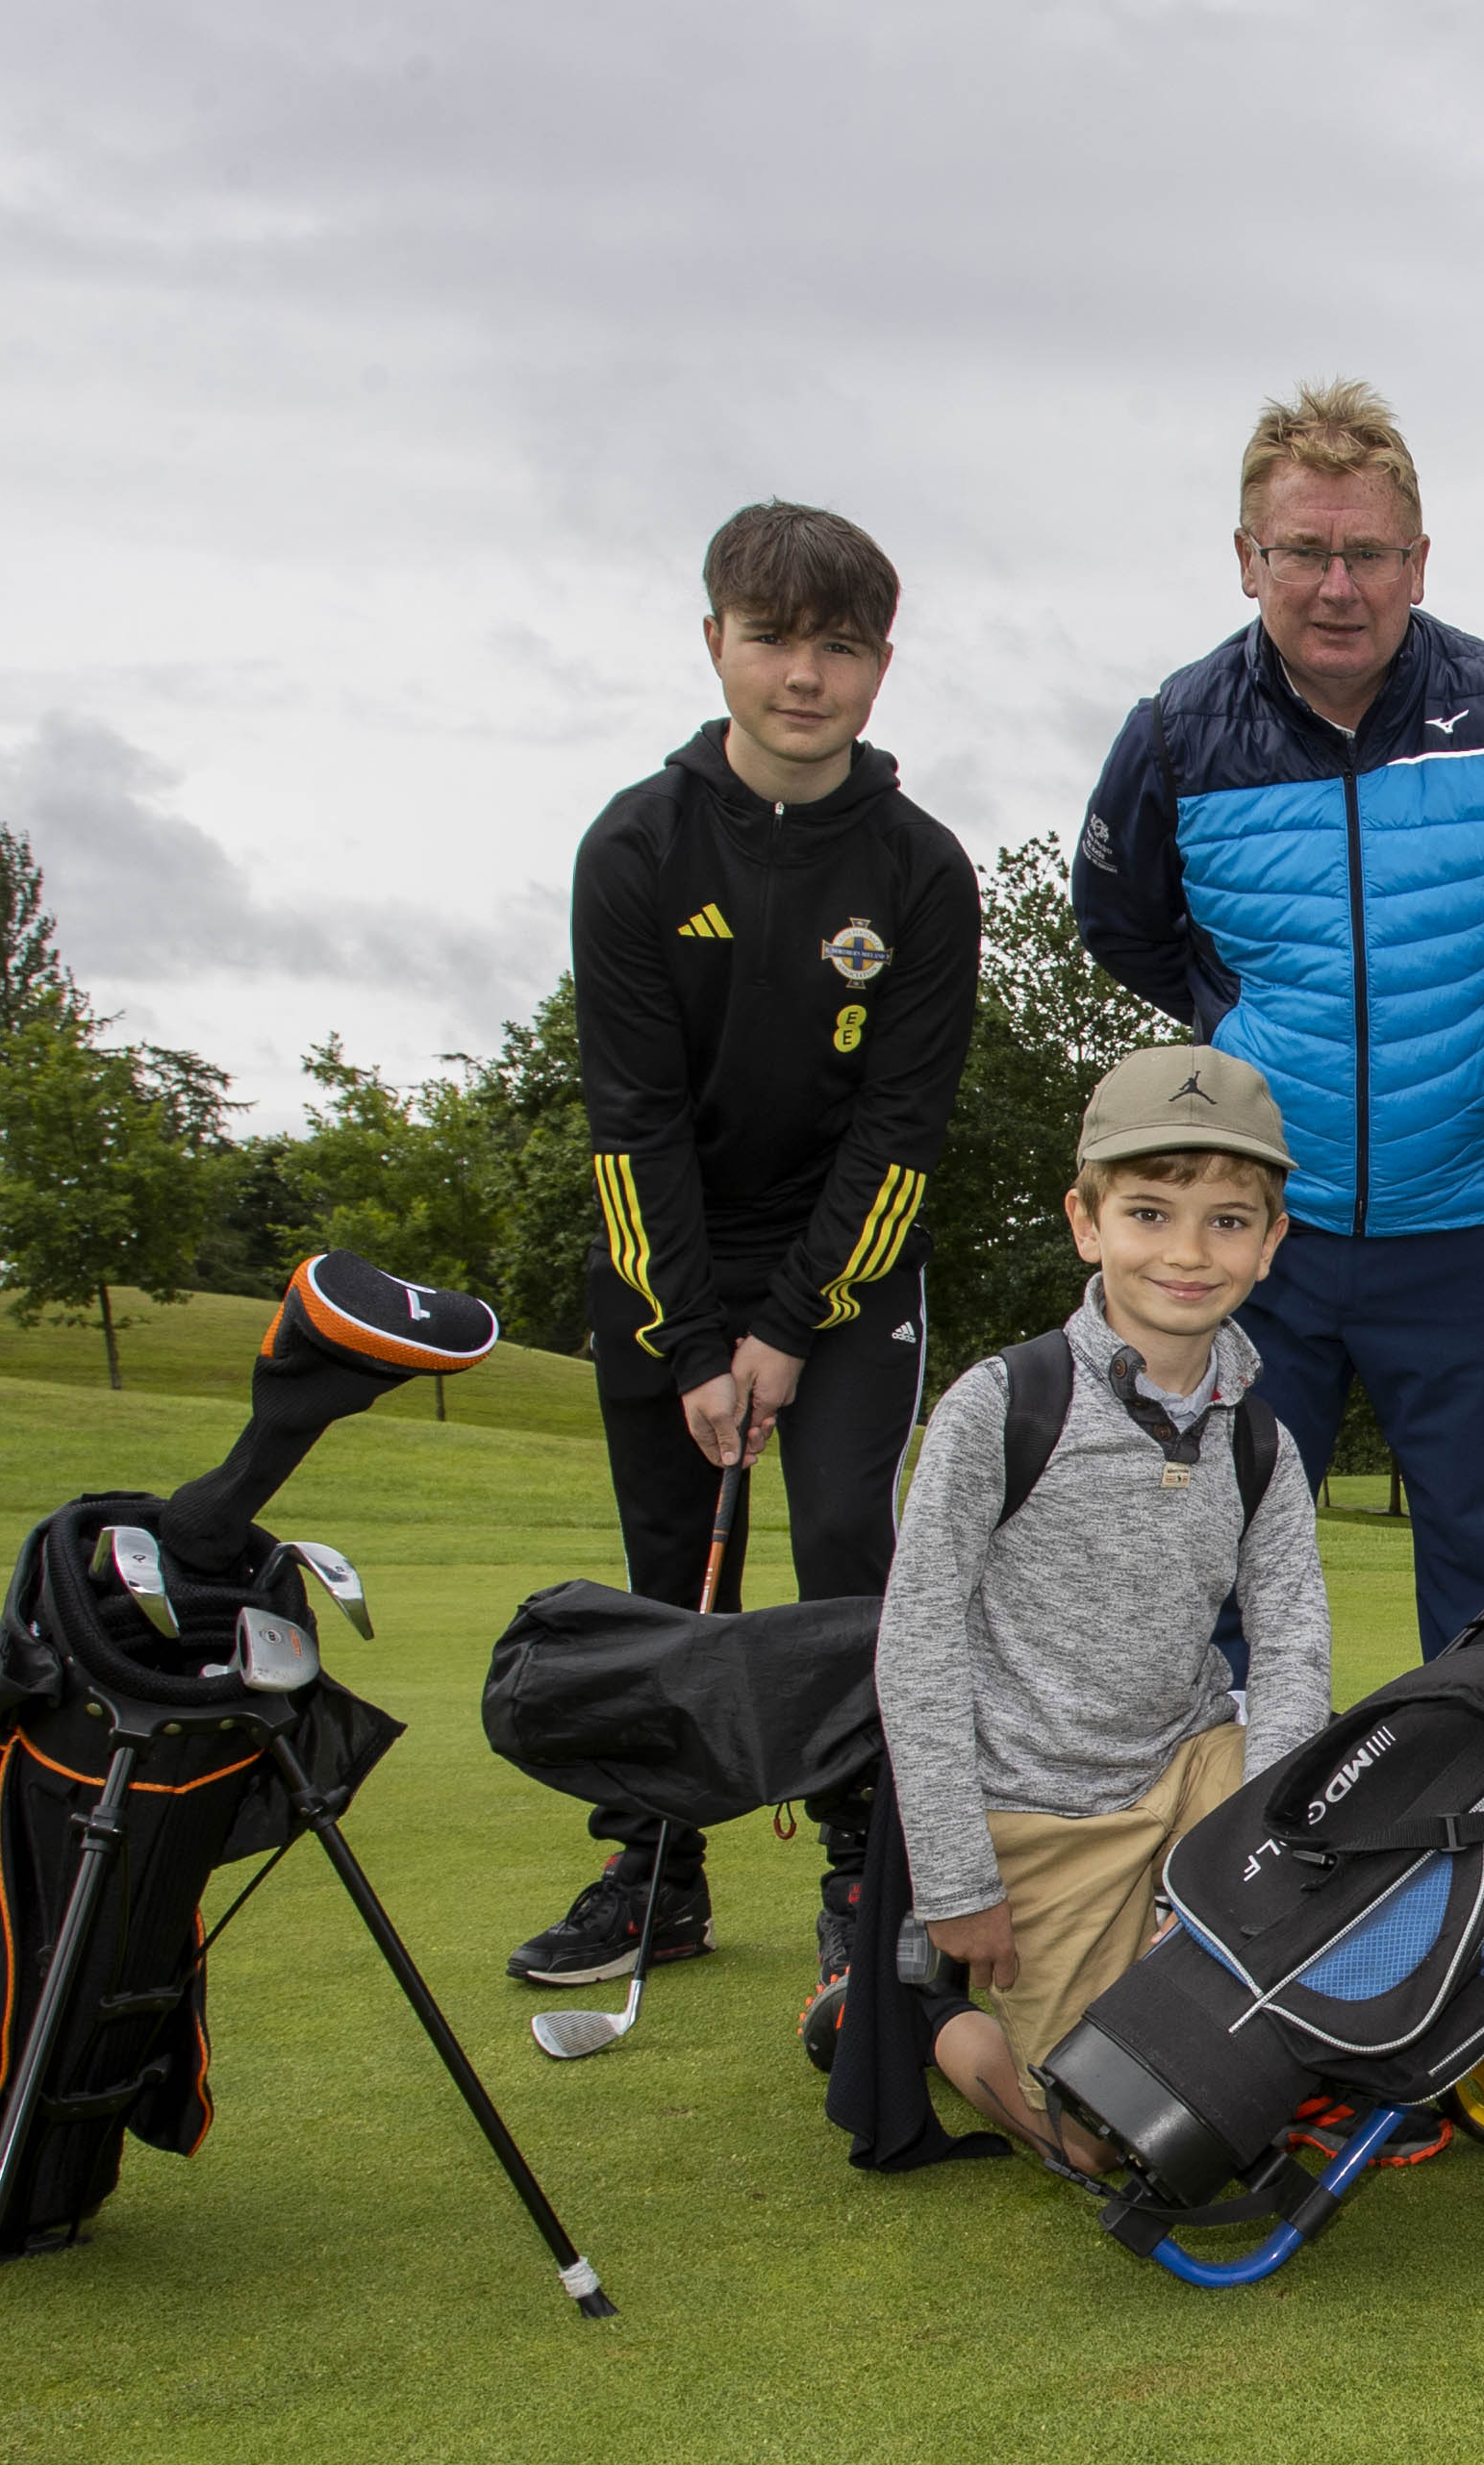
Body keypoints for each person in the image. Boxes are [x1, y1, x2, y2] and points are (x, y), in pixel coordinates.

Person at [1070, 379, 1484, 1661]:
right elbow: (1119, 919)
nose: (1336, 586)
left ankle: (1476, 1857)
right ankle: (1211, 1852)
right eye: (1303, 552)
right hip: (1253, 1240)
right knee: (1219, 1569)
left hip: (1458, 1226)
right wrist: (1235, 1025)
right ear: (1249, 559)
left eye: (1368, 554)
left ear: (1417, 559)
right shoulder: (1178, 731)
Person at [516, 501, 975, 2000]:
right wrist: (700, 1341)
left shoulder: (919, 870)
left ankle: (865, 1868)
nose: (803, 676)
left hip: (848, 1270)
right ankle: (657, 1869)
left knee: (848, 1545)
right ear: (714, 640)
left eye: (839, 648)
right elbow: (628, 1123)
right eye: (773, 638)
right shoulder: (636, 848)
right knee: (669, 1577)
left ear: (881, 666)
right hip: (670, 1267)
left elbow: (901, 1137)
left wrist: (791, 1326)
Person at [872, 1047, 1333, 2168]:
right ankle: (924, 2012)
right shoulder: (1001, 1402)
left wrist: (1262, 1853)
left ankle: (1197, 1962)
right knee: (1109, 2142)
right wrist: (955, 1881)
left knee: (1346, 1833)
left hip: (1190, 1769)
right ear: (1086, 1223)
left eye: (1228, 1221)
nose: (1186, 1252)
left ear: (1271, 1246)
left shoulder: (1262, 1438)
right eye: (1148, 1212)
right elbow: (916, 1642)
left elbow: (1291, 1646)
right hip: (1039, 1811)